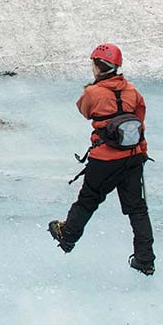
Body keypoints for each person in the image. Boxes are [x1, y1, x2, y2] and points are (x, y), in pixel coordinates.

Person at [47, 43, 155, 276]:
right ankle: (145, 259)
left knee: (88, 200)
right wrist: (143, 152)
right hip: (133, 156)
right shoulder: (132, 91)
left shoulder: (92, 93)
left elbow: (84, 111)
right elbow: (140, 122)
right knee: (137, 209)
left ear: (97, 66)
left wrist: (94, 90)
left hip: (105, 158)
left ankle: (68, 237)